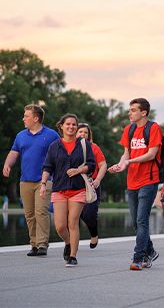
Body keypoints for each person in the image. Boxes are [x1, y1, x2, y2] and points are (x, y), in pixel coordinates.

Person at [108, 98, 162, 271]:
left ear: (143, 112)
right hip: (132, 180)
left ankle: (138, 258)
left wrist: (130, 161)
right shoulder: (129, 129)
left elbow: (152, 154)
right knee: (135, 222)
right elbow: (126, 153)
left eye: (133, 110)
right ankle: (151, 251)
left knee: (142, 220)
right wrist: (121, 163)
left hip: (149, 179)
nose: (129, 113)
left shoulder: (153, 128)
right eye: (130, 110)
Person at [2, 104, 60, 256]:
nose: (23, 118)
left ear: (36, 118)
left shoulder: (52, 135)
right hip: (25, 180)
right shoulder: (21, 135)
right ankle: (33, 244)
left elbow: (60, 155)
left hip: (45, 180)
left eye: (26, 116)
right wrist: (7, 164)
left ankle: (42, 245)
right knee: (29, 214)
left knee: (41, 212)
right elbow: (14, 152)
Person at [40, 113, 95, 267]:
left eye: (74, 124)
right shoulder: (54, 146)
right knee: (59, 226)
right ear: (61, 126)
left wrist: (78, 170)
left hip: (78, 189)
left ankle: (72, 256)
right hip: (59, 189)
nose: (71, 127)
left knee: (73, 222)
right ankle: (68, 242)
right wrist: (43, 184)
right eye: (68, 124)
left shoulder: (84, 144)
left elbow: (91, 165)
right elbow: (47, 167)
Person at [76, 122, 107, 248]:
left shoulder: (94, 148)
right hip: (75, 185)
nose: (83, 134)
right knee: (73, 216)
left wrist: (98, 179)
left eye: (85, 132)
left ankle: (94, 234)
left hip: (91, 184)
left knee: (89, 214)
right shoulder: (69, 147)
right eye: (80, 131)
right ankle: (71, 244)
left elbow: (103, 165)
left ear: (89, 135)